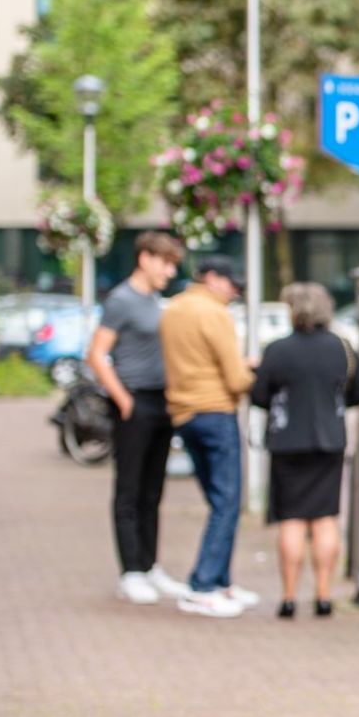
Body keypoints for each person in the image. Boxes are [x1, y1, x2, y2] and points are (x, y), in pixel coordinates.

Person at [249, 282, 359, 619]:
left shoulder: (277, 350)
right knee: (325, 519)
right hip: (329, 441)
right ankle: (324, 596)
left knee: (292, 520)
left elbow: (258, 397)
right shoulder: (341, 348)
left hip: (287, 443)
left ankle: (288, 598)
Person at [85, 231, 188, 605]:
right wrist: (124, 400)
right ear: (145, 258)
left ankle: (149, 565)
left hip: (162, 403)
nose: (170, 270)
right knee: (129, 488)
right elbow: (96, 354)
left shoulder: (155, 300)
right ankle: (130, 571)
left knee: (153, 489)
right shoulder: (122, 300)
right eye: (166, 262)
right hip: (136, 402)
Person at [159, 255, 259, 619]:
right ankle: (203, 585)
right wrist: (254, 375)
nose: (234, 292)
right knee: (228, 502)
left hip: (183, 413)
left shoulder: (173, 308)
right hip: (216, 411)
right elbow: (234, 378)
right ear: (213, 278)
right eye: (232, 284)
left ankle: (220, 580)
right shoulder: (215, 314)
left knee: (219, 500)